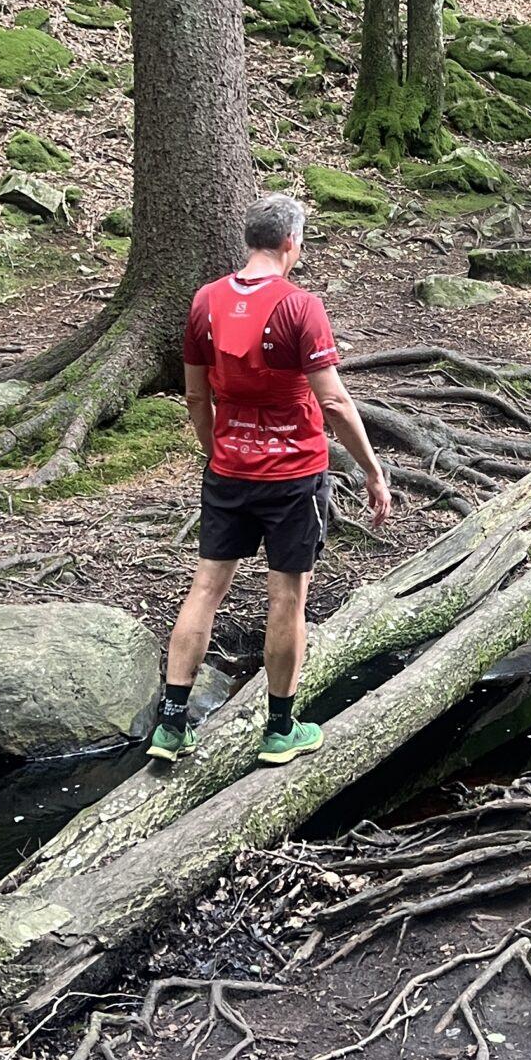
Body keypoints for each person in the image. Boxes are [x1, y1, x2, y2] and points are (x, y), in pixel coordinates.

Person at [148, 193, 392, 767]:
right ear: (290, 243)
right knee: (288, 597)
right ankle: (280, 730)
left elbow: (195, 394)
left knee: (206, 588)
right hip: (294, 476)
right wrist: (372, 470)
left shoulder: (206, 301)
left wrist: (217, 451)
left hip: (228, 470)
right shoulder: (301, 307)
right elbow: (334, 401)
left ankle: (171, 725)